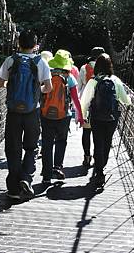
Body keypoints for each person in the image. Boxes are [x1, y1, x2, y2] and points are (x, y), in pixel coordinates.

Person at [0, 31, 52, 199]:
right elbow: (48, 88)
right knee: (31, 147)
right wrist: (37, 90)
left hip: (13, 112)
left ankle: (13, 189)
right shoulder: (40, 62)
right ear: (36, 46)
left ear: (18, 44)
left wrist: (13, 88)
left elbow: (0, 84)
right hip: (32, 112)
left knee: (13, 149)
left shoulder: (11, 60)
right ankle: (27, 178)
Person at [80, 53, 131, 188]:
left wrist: (83, 116)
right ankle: (102, 166)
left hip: (96, 117)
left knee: (98, 142)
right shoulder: (115, 80)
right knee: (107, 142)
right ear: (110, 66)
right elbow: (125, 100)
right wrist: (129, 101)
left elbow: (84, 102)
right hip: (112, 118)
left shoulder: (93, 81)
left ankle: (99, 171)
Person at [40, 50, 84, 184]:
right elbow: (76, 100)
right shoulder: (69, 78)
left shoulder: (47, 74)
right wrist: (80, 116)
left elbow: (39, 93)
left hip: (46, 114)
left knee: (47, 144)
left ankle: (46, 175)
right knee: (61, 141)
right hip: (64, 115)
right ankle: (57, 167)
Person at [78, 46, 105, 167]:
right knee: (98, 134)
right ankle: (97, 157)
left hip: (87, 105)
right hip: (101, 106)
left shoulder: (84, 68)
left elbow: (79, 87)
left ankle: (86, 157)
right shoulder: (106, 69)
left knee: (86, 132)